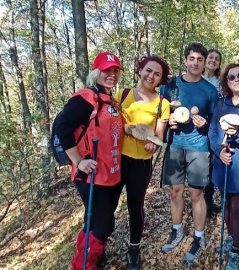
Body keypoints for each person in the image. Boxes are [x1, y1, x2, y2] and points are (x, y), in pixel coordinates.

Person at [55, 52, 124, 270]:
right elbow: (61, 128)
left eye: (115, 71)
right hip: (91, 173)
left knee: (93, 219)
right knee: (104, 225)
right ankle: (83, 265)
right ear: (96, 73)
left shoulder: (111, 99)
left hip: (110, 171)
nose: (111, 75)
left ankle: (88, 254)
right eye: (106, 70)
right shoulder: (86, 98)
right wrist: (78, 160)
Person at [160, 42, 219, 264]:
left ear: (205, 63)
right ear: (185, 60)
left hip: (198, 148)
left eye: (200, 60)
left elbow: (214, 122)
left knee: (197, 195)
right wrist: (169, 122)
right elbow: (161, 115)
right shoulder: (171, 85)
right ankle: (177, 231)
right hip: (176, 146)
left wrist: (205, 123)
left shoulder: (210, 90)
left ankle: (199, 237)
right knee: (175, 191)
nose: (195, 63)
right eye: (192, 59)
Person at [114, 56, 170, 270]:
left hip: (141, 164)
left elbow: (159, 135)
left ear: (161, 80)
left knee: (135, 207)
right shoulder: (122, 95)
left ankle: (133, 250)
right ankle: (96, 246)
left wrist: (154, 144)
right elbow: (111, 125)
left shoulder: (162, 104)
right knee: (108, 206)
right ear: (140, 70)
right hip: (117, 160)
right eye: (148, 70)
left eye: (157, 74)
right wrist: (127, 129)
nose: (151, 76)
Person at [209, 63, 239, 269]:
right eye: (231, 77)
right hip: (223, 163)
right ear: (226, 82)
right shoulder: (220, 104)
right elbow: (212, 132)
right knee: (226, 203)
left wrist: (237, 134)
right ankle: (230, 236)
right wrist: (218, 152)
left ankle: (236, 250)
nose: (236, 79)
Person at [202, 48, 223, 214]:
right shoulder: (195, 79)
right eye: (211, 57)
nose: (213, 60)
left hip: (213, 127)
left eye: (216, 59)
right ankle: (197, 199)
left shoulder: (220, 84)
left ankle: (208, 200)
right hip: (195, 128)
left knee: (211, 164)